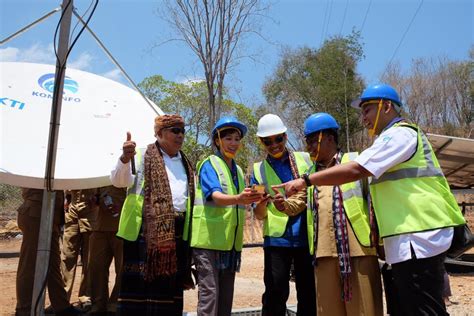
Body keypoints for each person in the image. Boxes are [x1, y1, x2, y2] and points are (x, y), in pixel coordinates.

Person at [276, 84, 466, 315]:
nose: (363, 118)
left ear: (386, 107)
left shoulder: (401, 134)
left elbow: (357, 170)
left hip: (418, 236)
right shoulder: (385, 141)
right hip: (404, 239)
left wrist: (305, 180)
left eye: (367, 110)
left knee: (423, 309)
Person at [110, 114, 195, 315]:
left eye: (182, 131)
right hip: (143, 233)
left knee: (169, 294)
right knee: (139, 293)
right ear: (158, 133)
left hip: (177, 234)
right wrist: (124, 159)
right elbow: (119, 181)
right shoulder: (139, 155)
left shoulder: (186, 163)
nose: (180, 135)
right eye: (175, 130)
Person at [301, 113, 383, 316]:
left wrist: (380, 243)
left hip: (358, 250)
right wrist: (283, 204)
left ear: (329, 138)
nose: (310, 147)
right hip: (324, 253)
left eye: (313, 141)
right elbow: (299, 203)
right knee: (328, 310)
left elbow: (374, 202)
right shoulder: (310, 173)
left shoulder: (355, 161)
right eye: (308, 142)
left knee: (364, 309)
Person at [191, 116, 263, 316]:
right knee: (210, 297)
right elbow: (214, 196)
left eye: (237, 139)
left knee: (225, 299)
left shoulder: (238, 170)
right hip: (208, 242)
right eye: (228, 138)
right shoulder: (209, 164)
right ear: (217, 140)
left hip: (229, 243)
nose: (233, 143)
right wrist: (240, 198)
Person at [251, 114, 316, 316]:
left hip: (307, 238)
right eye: (267, 141)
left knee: (309, 293)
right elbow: (259, 215)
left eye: (278, 139)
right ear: (261, 142)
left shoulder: (306, 160)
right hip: (277, 242)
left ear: (286, 137)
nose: (274, 145)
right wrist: (261, 204)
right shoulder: (258, 170)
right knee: (275, 293)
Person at [16, 188, 81, 316]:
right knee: (29, 264)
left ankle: (61, 306)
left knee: (52, 263)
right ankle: (24, 309)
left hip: (49, 215)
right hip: (36, 214)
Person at [87, 185, 126, 315]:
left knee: (122, 269)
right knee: (96, 267)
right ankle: (98, 305)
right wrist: (94, 199)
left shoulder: (130, 165)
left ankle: (115, 305)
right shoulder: (99, 169)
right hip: (100, 226)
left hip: (122, 227)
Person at [61, 189, 95, 309]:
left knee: (89, 259)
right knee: (67, 257)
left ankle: (86, 297)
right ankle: (62, 298)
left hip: (91, 215)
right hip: (72, 214)